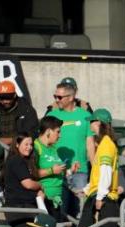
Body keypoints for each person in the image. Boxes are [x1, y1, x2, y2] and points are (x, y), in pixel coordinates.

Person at [45, 78, 90, 218]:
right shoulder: (51, 116)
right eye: (55, 96)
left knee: (79, 214)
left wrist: (94, 168)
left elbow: (90, 144)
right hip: (57, 172)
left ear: (71, 97)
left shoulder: (85, 116)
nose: (56, 100)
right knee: (59, 212)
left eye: (59, 97)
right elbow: (44, 143)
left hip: (80, 172)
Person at [78, 109, 121, 227]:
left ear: (98, 123)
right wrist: (87, 189)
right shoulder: (105, 143)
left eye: (91, 121)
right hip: (100, 195)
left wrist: (100, 196)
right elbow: (98, 173)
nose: (90, 125)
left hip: (104, 200)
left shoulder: (106, 144)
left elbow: (106, 171)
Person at [2, 133, 43, 227]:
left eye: (31, 144)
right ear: (17, 144)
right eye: (26, 144)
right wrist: (40, 186)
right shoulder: (16, 160)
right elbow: (28, 184)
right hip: (19, 209)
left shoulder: (23, 161)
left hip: (25, 207)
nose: (29, 147)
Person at [34, 117, 68, 218]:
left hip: (56, 199)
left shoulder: (53, 148)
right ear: (48, 131)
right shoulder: (36, 146)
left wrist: (69, 170)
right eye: (58, 132)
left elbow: (58, 171)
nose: (60, 136)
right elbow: (31, 173)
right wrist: (52, 170)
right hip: (44, 199)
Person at [0, 79, 38, 145]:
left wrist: (12, 140)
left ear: (14, 95)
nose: (5, 101)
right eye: (2, 98)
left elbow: (32, 133)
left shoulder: (27, 110)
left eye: (8, 98)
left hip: (20, 147)